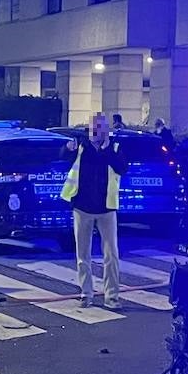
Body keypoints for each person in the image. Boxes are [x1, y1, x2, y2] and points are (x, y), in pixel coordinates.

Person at [61, 112, 128, 309]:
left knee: (111, 254)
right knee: (83, 255)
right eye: (94, 127)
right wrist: (66, 148)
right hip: (82, 207)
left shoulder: (114, 147)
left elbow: (122, 168)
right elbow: (62, 156)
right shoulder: (81, 145)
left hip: (106, 208)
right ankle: (86, 293)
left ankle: (112, 296)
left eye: (101, 128)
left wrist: (107, 150)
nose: (97, 132)